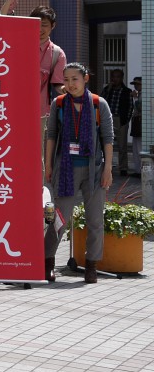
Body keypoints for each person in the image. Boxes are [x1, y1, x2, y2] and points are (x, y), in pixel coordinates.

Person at [44, 63, 113, 284]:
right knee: (59, 219)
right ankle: (47, 263)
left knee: (95, 220)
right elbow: (51, 135)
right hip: (66, 169)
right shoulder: (59, 103)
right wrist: (48, 165)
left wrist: (108, 169)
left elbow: (108, 139)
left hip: (94, 170)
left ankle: (91, 266)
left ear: (85, 79)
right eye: (66, 79)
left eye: (75, 79)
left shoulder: (98, 104)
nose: (70, 84)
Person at [31, 5, 66, 149]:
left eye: (44, 25)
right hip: (12, 108)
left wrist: (67, 89)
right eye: (36, 24)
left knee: (36, 152)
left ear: (53, 26)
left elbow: (57, 84)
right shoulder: (17, 45)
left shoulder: (57, 53)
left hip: (39, 112)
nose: (40, 29)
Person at [101, 69, 133, 177]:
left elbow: (130, 107)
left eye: (118, 77)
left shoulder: (127, 91)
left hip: (121, 120)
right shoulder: (107, 89)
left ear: (122, 78)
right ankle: (106, 167)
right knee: (106, 143)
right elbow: (101, 101)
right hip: (108, 119)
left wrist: (126, 120)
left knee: (122, 146)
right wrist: (108, 89)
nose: (115, 79)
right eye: (114, 77)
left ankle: (123, 168)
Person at [130, 77, 142, 176]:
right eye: (135, 84)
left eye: (138, 84)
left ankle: (140, 171)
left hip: (140, 122)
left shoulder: (143, 95)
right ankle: (138, 170)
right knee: (135, 147)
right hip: (136, 122)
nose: (136, 86)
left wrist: (135, 98)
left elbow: (140, 108)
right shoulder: (139, 94)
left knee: (139, 148)